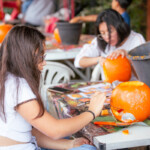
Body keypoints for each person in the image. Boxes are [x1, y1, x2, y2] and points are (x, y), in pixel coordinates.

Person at [0, 25, 106, 150]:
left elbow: (32, 132)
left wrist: (69, 144)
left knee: (73, 139)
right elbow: (55, 131)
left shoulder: (7, 78)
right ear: (24, 56)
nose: (44, 62)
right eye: (40, 57)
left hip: (25, 143)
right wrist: (92, 111)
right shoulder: (19, 87)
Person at [74, 9, 145, 81]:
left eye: (110, 31)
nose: (107, 37)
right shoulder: (100, 40)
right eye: (103, 33)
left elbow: (145, 76)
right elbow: (78, 61)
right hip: (108, 88)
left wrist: (129, 56)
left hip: (133, 88)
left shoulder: (136, 39)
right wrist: (99, 59)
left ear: (120, 27)